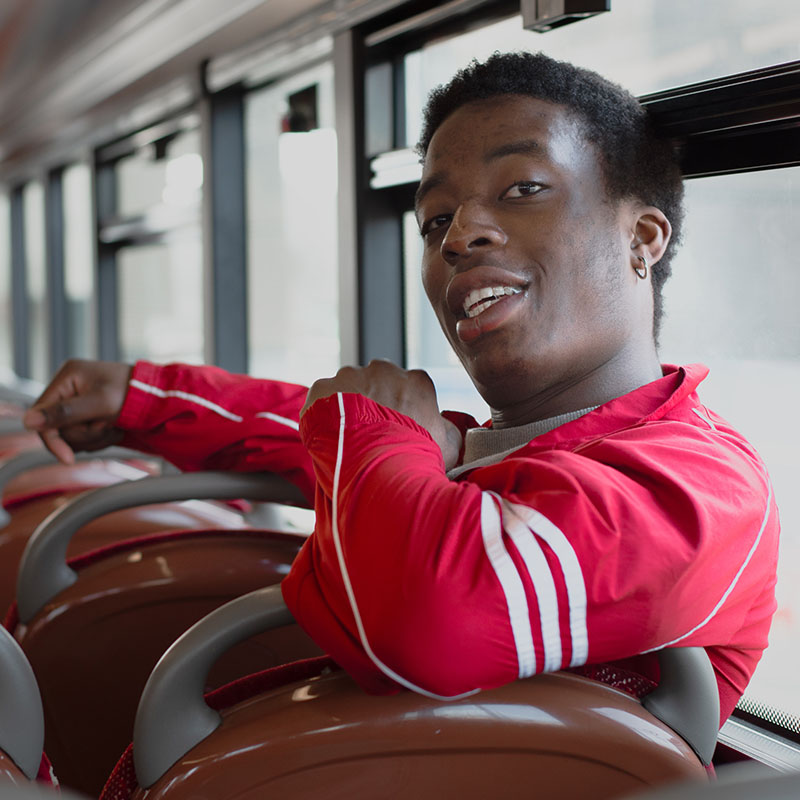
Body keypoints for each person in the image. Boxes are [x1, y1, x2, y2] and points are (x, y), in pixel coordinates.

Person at [24, 52, 778, 725]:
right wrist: (140, 397)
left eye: (523, 187)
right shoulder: (475, 455)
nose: (458, 236)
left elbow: (436, 615)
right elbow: (310, 434)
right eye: (435, 219)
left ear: (642, 238)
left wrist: (375, 431)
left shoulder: (704, 483)